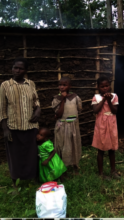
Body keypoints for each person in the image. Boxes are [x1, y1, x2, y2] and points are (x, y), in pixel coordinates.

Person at [0, 57, 41, 186]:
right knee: (15, 156)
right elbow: (2, 108)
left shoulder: (31, 84)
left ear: (25, 70)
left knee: (32, 154)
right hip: (14, 127)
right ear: (12, 69)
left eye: (20, 68)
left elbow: (36, 100)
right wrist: (5, 129)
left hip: (31, 125)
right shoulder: (5, 85)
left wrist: (38, 110)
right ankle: (15, 182)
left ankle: (33, 178)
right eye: (15, 68)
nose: (17, 70)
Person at [91, 76, 120, 179]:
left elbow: (114, 111)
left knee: (112, 149)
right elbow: (95, 110)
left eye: (107, 86)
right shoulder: (96, 97)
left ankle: (113, 171)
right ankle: (101, 174)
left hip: (111, 124)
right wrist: (103, 100)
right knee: (101, 149)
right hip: (101, 125)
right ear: (98, 87)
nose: (105, 88)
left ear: (110, 86)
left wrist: (109, 101)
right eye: (102, 86)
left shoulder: (114, 96)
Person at [52, 77, 82, 173]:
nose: (62, 87)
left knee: (73, 144)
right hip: (62, 126)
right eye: (60, 85)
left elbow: (79, 109)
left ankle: (74, 164)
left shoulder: (75, 98)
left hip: (73, 126)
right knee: (62, 145)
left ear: (70, 86)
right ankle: (62, 166)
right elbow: (59, 114)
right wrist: (63, 99)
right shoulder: (57, 99)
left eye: (64, 85)